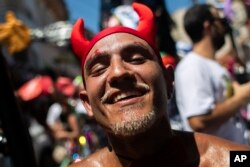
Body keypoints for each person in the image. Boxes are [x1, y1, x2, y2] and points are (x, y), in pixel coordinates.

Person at [69, 3, 250, 167]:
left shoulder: (231, 159)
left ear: (168, 80)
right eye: (100, 69)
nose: (118, 72)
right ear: (87, 103)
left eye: (136, 59)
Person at [175, 4, 250, 145]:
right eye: (219, 20)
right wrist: (244, 96)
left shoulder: (213, 66)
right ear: (208, 26)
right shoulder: (192, 65)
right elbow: (198, 121)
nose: (224, 25)